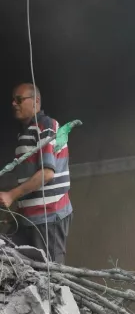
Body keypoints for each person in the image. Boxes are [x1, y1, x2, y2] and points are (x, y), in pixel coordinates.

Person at [0, 83, 73, 263]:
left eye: (19, 99)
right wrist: (19, 209)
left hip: (49, 216)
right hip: (30, 217)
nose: (14, 104)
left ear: (36, 101)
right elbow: (31, 179)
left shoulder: (46, 126)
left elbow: (46, 174)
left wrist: (11, 195)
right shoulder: (26, 133)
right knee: (8, 253)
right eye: (13, 100)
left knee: (51, 273)